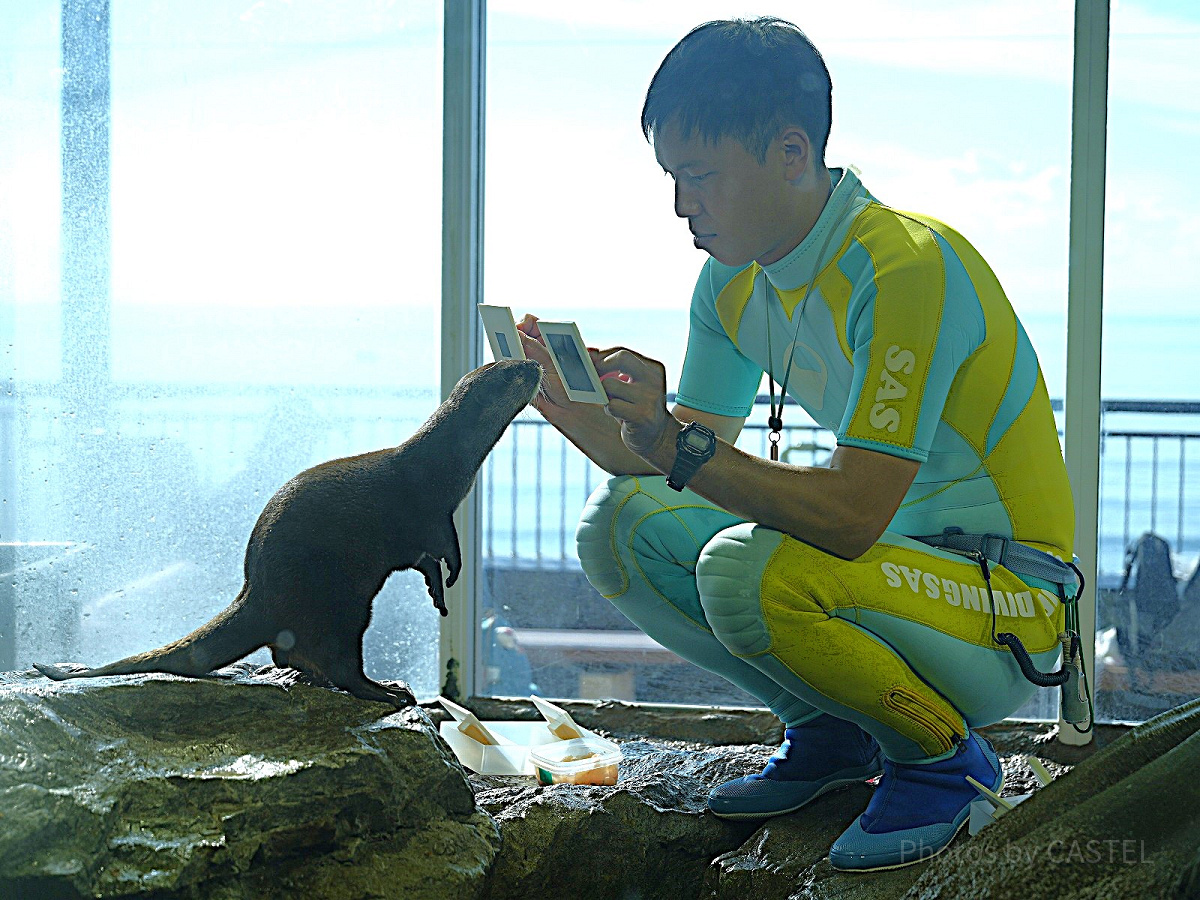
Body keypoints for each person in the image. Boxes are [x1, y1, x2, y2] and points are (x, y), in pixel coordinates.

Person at [517, 16, 1077, 871]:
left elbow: (849, 516)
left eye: (699, 175)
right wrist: (596, 420)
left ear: (789, 153)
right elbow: (678, 458)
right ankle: (834, 731)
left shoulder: (903, 267)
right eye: (671, 176)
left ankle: (941, 761)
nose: (680, 204)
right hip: (894, 575)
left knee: (749, 570)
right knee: (622, 524)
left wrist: (672, 442)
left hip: (1008, 607)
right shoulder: (731, 280)